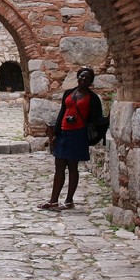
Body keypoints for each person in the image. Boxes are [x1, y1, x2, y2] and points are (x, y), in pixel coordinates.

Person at [40, 66, 104, 211]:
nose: (83, 79)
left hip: (78, 134)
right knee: (59, 166)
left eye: (87, 77)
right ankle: (53, 200)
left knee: (73, 167)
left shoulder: (92, 98)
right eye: (81, 76)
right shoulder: (69, 93)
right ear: (78, 77)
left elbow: (96, 119)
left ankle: (69, 200)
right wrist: (55, 133)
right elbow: (62, 112)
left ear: (91, 81)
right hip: (64, 132)